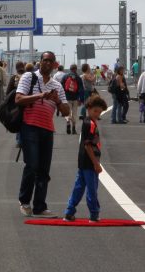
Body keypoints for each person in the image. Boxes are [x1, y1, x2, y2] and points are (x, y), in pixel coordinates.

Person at [16, 51, 70, 217]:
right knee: (32, 165)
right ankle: (24, 201)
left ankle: (40, 206)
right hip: (29, 126)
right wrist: (40, 95)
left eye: (50, 61)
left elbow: (67, 111)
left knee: (44, 170)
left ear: (54, 65)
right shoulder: (28, 77)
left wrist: (57, 100)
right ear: (40, 62)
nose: (47, 63)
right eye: (45, 60)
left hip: (47, 129)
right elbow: (18, 99)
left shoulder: (57, 85)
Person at [63, 95, 108, 222]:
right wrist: (96, 163)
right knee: (92, 188)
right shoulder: (90, 124)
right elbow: (88, 145)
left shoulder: (88, 122)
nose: (97, 114)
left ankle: (69, 211)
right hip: (90, 161)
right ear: (88, 108)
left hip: (82, 161)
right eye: (95, 111)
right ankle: (94, 214)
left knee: (78, 187)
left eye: (99, 112)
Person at [62, 64, 82, 134]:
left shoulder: (65, 77)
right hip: (75, 98)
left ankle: (68, 122)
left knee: (68, 112)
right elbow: (81, 89)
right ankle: (73, 128)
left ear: (70, 69)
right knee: (74, 113)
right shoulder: (78, 78)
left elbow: (62, 88)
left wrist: (62, 97)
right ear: (75, 69)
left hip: (67, 98)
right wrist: (81, 99)